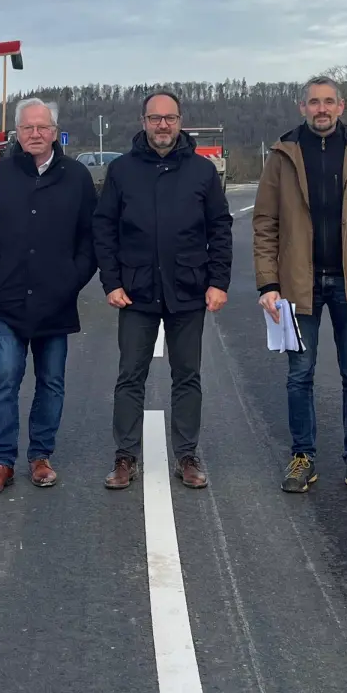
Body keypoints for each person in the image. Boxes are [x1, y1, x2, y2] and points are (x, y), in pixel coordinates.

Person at [251, 75, 347, 498]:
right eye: (314, 102)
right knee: (300, 374)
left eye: (328, 101)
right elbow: (265, 224)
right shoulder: (283, 156)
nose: (321, 109)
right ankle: (303, 456)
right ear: (302, 107)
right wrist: (268, 283)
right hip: (299, 285)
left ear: (341, 106)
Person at [93, 90, 233, 490]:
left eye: (169, 118)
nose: (163, 125)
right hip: (136, 291)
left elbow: (220, 229)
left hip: (188, 289)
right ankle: (125, 457)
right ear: (143, 122)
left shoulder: (202, 172)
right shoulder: (122, 170)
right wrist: (111, 281)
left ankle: (187, 455)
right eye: (155, 118)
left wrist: (218, 282)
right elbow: (104, 228)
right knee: (129, 377)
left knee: (187, 376)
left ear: (180, 122)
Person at [0, 98, 97, 493]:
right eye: (27, 128)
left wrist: (72, 279)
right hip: (7, 301)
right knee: (5, 378)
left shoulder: (76, 178)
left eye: (42, 127)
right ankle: (1, 461)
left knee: (51, 381)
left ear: (54, 132)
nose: (35, 134)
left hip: (56, 300)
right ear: (17, 133)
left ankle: (40, 456)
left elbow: (91, 238)